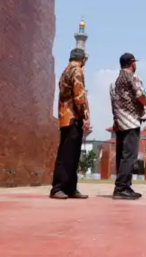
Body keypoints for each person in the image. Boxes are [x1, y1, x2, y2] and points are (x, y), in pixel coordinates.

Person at [110, 53, 146, 200]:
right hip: (130, 121)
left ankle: (125, 186)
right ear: (132, 63)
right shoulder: (132, 77)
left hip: (120, 122)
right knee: (129, 155)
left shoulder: (118, 80)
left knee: (122, 155)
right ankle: (121, 188)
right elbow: (140, 95)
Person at [50, 48, 90, 200]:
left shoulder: (65, 71)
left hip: (64, 117)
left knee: (71, 154)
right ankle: (58, 187)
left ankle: (70, 187)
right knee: (67, 155)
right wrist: (85, 116)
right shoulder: (77, 71)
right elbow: (79, 96)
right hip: (73, 117)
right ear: (81, 58)